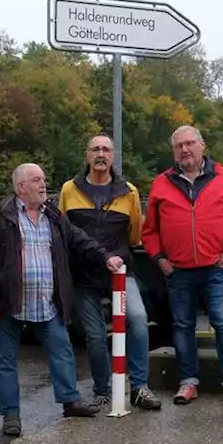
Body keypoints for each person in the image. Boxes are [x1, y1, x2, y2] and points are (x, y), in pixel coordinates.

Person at [0, 163, 126, 437]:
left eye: (43, 179)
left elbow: (80, 240)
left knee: (62, 350)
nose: (43, 185)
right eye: (36, 180)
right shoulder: (2, 218)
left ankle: (70, 402)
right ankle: (11, 416)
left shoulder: (54, 215)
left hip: (47, 301)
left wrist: (105, 257)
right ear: (21, 187)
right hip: (10, 302)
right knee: (6, 360)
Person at [141, 125, 223, 409]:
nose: (185, 149)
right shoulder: (161, 184)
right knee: (182, 327)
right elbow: (150, 230)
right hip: (178, 270)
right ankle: (188, 382)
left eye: (190, 143)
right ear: (173, 151)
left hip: (217, 268)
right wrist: (160, 259)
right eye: (179, 145)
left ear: (202, 145)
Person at [57, 134, 161, 411]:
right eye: (95, 149)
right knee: (94, 335)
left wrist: (115, 256)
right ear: (87, 155)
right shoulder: (69, 190)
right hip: (83, 275)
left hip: (119, 272)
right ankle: (102, 389)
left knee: (138, 320)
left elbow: (135, 236)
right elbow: (62, 232)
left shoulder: (129, 192)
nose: (100, 154)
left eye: (105, 149)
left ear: (113, 156)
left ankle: (139, 387)